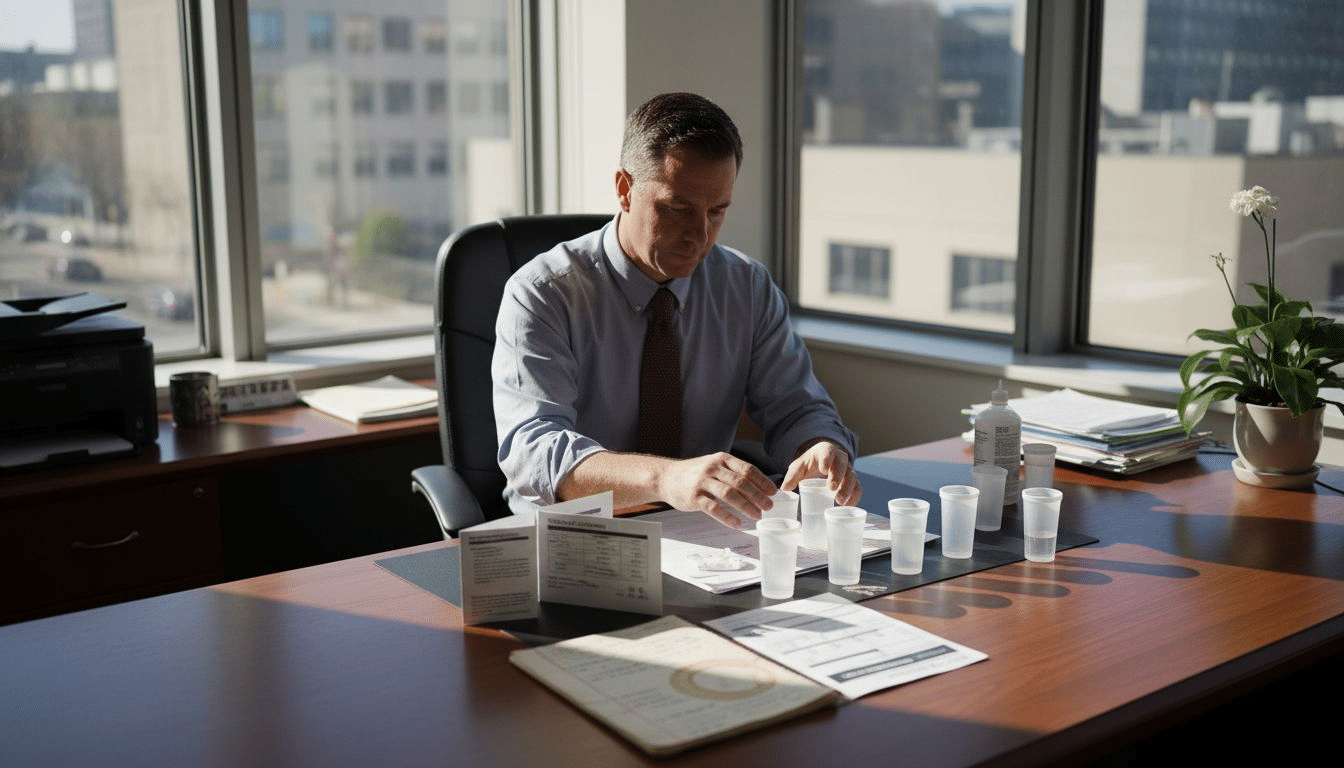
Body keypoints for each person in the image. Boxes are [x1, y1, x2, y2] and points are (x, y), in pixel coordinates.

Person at [492, 92, 860, 528]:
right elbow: (535, 450)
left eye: (716, 212)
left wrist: (819, 444)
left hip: (703, 536)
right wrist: (667, 477)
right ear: (625, 190)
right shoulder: (542, 293)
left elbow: (797, 407)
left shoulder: (746, 286)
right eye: (677, 210)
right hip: (574, 536)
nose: (699, 236)